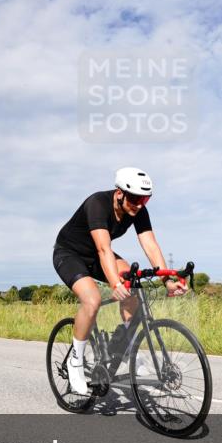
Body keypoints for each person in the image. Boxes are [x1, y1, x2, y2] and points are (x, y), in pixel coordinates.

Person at [53, 167, 186, 395]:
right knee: (92, 300)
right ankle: (75, 362)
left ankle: (122, 344)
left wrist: (168, 280)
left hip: (96, 256)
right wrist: (115, 284)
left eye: (145, 199)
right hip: (69, 254)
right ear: (119, 193)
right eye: (135, 198)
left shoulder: (138, 211)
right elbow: (104, 249)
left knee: (134, 286)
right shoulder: (97, 204)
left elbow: (151, 245)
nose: (139, 204)